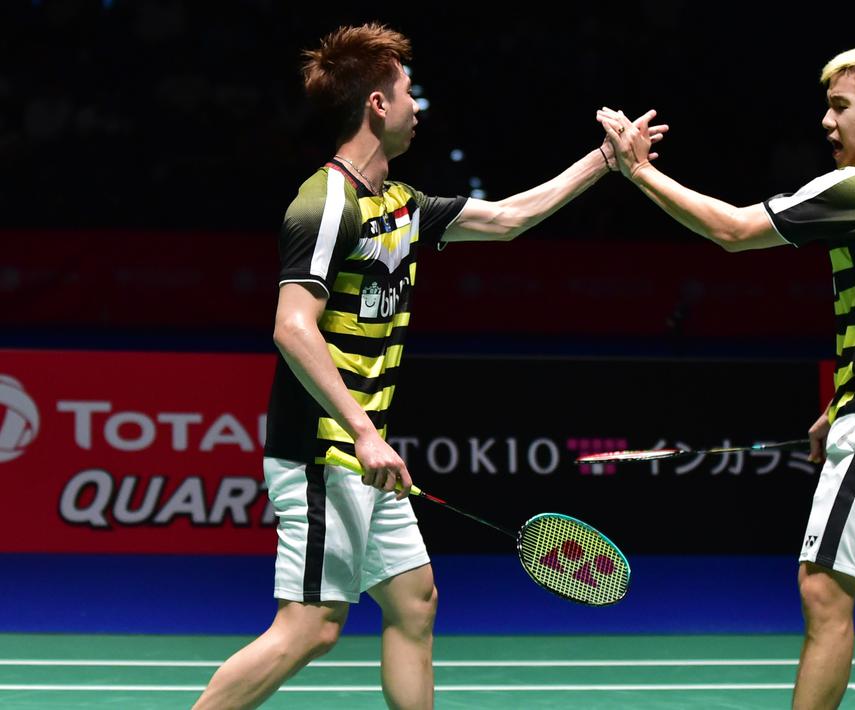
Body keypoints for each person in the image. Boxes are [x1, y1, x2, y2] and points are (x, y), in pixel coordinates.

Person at [194, 23, 665, 710]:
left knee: (414, 603)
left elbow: (507, 218)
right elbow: (291, 327)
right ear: (377, 106)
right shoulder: (326, 203)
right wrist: (360, 429)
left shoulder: (402, 206)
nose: (419, 106)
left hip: (366, 456)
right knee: (309, 629)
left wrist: (607, 159)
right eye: (409, 93)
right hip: (322, 452)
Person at [598, 38, 855, 710]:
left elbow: (735, 231)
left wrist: (637, 172)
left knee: (823, 590)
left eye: (838, 107)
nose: (826, 123)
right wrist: (838, 406)